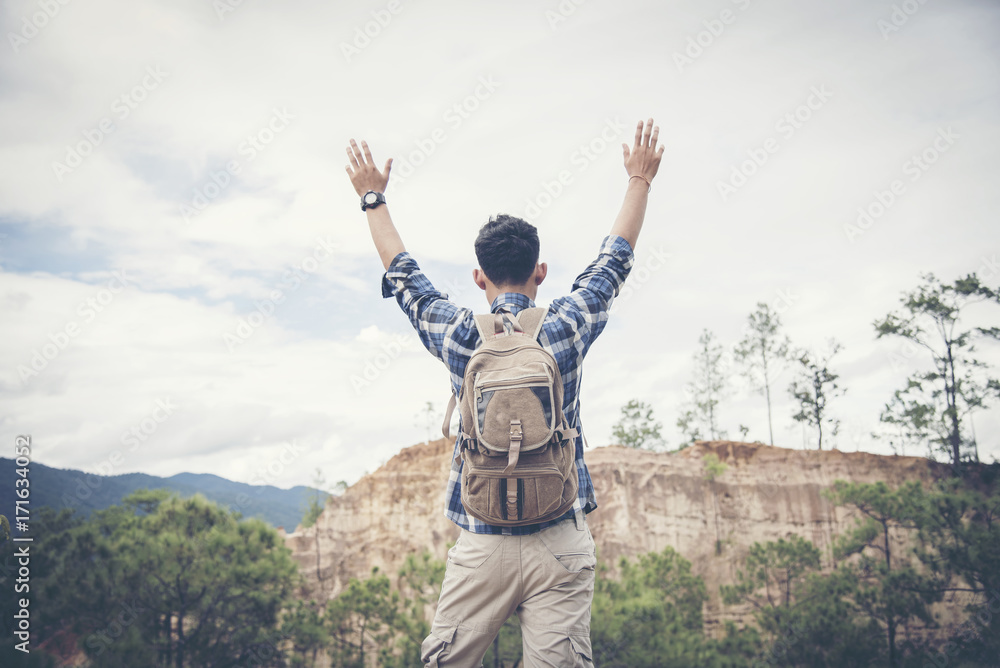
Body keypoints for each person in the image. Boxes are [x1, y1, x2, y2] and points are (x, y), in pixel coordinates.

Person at [345, 118, 664, 667]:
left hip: (482, 539)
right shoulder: (565, 326)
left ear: (479, 277)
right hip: (559, 539)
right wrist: (640, 179)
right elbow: (613, 262)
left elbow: (404, 275)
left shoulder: (458, 334)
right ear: (541, 271)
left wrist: (373, 197)